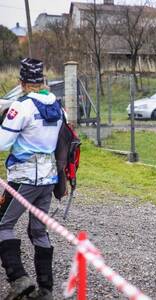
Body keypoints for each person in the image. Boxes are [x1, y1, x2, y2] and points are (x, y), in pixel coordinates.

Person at [0, 58, 63, 300]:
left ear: (22, 82)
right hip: (48, 178)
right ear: (43, 80)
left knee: (3, 225)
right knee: (39, 230)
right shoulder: (57, 106)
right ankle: (45, 288)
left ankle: (18, 278)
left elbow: (3, 141)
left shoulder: (22, 106)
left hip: (23, 177)